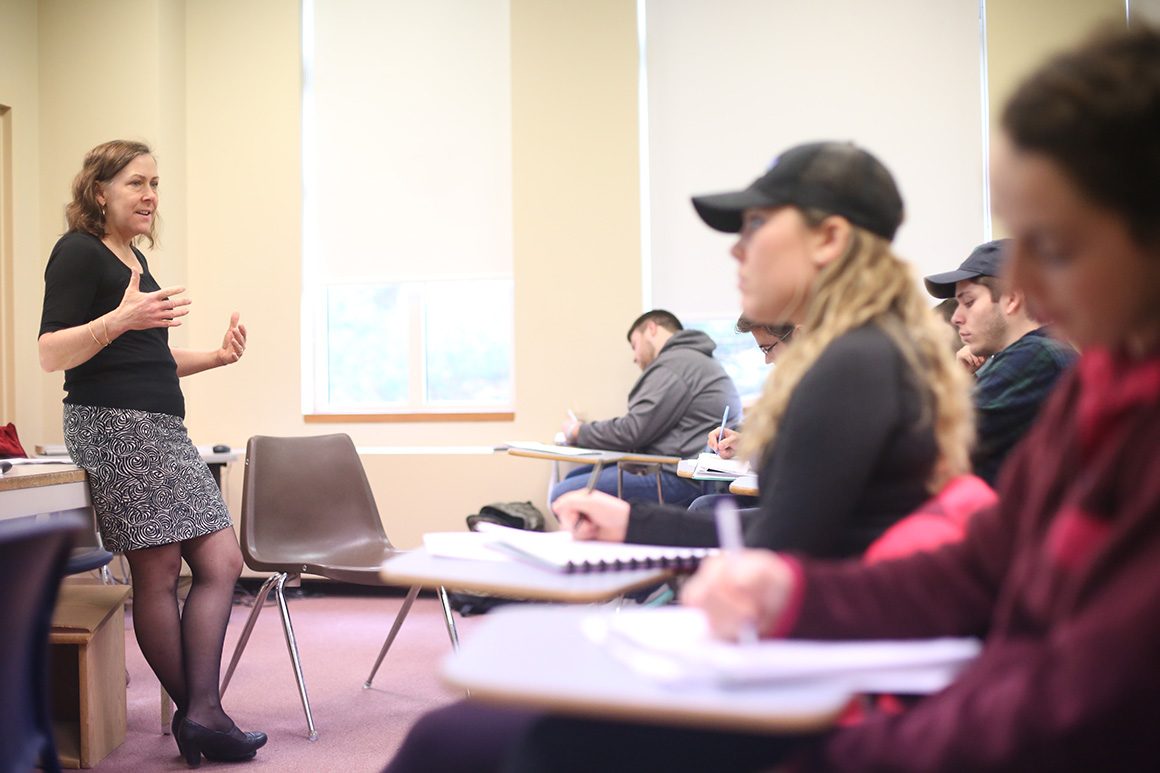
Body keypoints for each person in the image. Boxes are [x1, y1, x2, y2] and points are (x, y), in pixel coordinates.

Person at [479, 22, 1160, 772]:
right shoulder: (1096, 386)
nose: (1022, 270)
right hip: (897, 679)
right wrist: (793, 593)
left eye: (1053, 234)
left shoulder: (866, 361)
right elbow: (976, 570)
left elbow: (1074, 710)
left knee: (525, 741)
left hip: (899, 707)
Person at [550, 141, 972, 557]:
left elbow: (780, 545)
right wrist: (630, 523)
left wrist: (637, 524)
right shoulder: (876, 347)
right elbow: (792, 528)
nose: (736, 248)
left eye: (755, 224)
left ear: (827, 238)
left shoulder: (853, 364)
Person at [38, 140, 266, 767]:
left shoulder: (133, 258)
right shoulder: (78, 253)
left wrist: (217, 357)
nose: (149, 196)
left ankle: (199, 714)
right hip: (114, 426)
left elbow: (151, 357)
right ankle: (205, 714)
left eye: (155, 184)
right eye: (136, 183)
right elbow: (51, 351)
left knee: (221, 558)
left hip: (159, 427)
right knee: (160, 572)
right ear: (99, 191)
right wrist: (117, 320)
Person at [925, 239, 1078, 485]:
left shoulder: (1036, 358)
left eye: (968, 302)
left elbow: (936, 443)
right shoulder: (1035, 354)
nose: (956, 317)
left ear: (1011, 299)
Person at [552, 309, 741, 507]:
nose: (634, 357)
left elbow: (631, 431)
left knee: (563, 495)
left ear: (651, 329)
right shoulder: (694, 359)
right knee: (574, 477)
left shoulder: (674, 364)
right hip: (689, 471)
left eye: (635, 345)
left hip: (681, 477)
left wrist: (576, 430)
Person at [706, 316, 796, 461]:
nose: (767, 360)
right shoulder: (790, 384)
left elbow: (789, 456)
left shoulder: (820, 386)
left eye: (767, 349)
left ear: (799, 336)